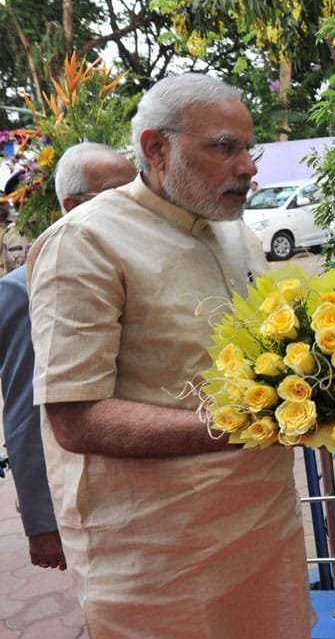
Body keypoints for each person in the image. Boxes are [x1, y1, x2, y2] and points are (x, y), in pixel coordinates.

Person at [27, 74, 314, 639]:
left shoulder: (235, 233)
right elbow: (76, 417)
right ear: (157, 148)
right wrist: (247, 426)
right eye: (224, 147)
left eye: (247, 149)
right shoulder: (84, 241)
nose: (249, 167)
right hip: (160, 557)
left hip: (264, 530)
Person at [0, 142, 136, 572]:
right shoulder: (28, 288)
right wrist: (42, 523)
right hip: (90, 498)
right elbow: (26, 412)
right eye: (118, 194)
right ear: (72, 205)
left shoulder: (134, 268)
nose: (136, 206)